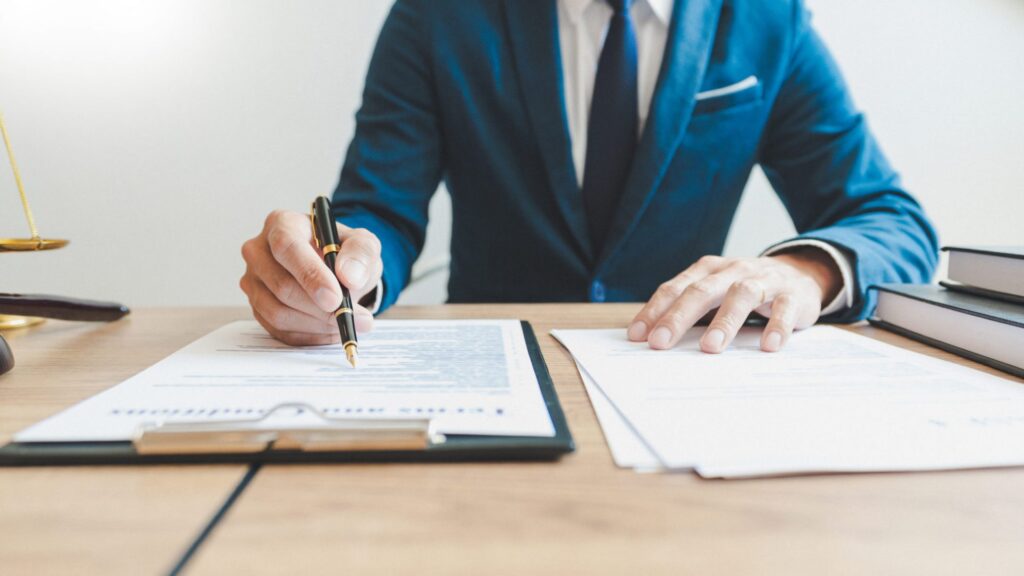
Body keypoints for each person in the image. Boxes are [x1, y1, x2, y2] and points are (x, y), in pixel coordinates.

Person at [240, 0, 938, 353]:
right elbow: (379, 210)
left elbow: (893, 221)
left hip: (691, 373)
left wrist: (805, 273)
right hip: (496, 373)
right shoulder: (436, 16)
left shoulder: (763, 19)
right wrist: (341, 274)